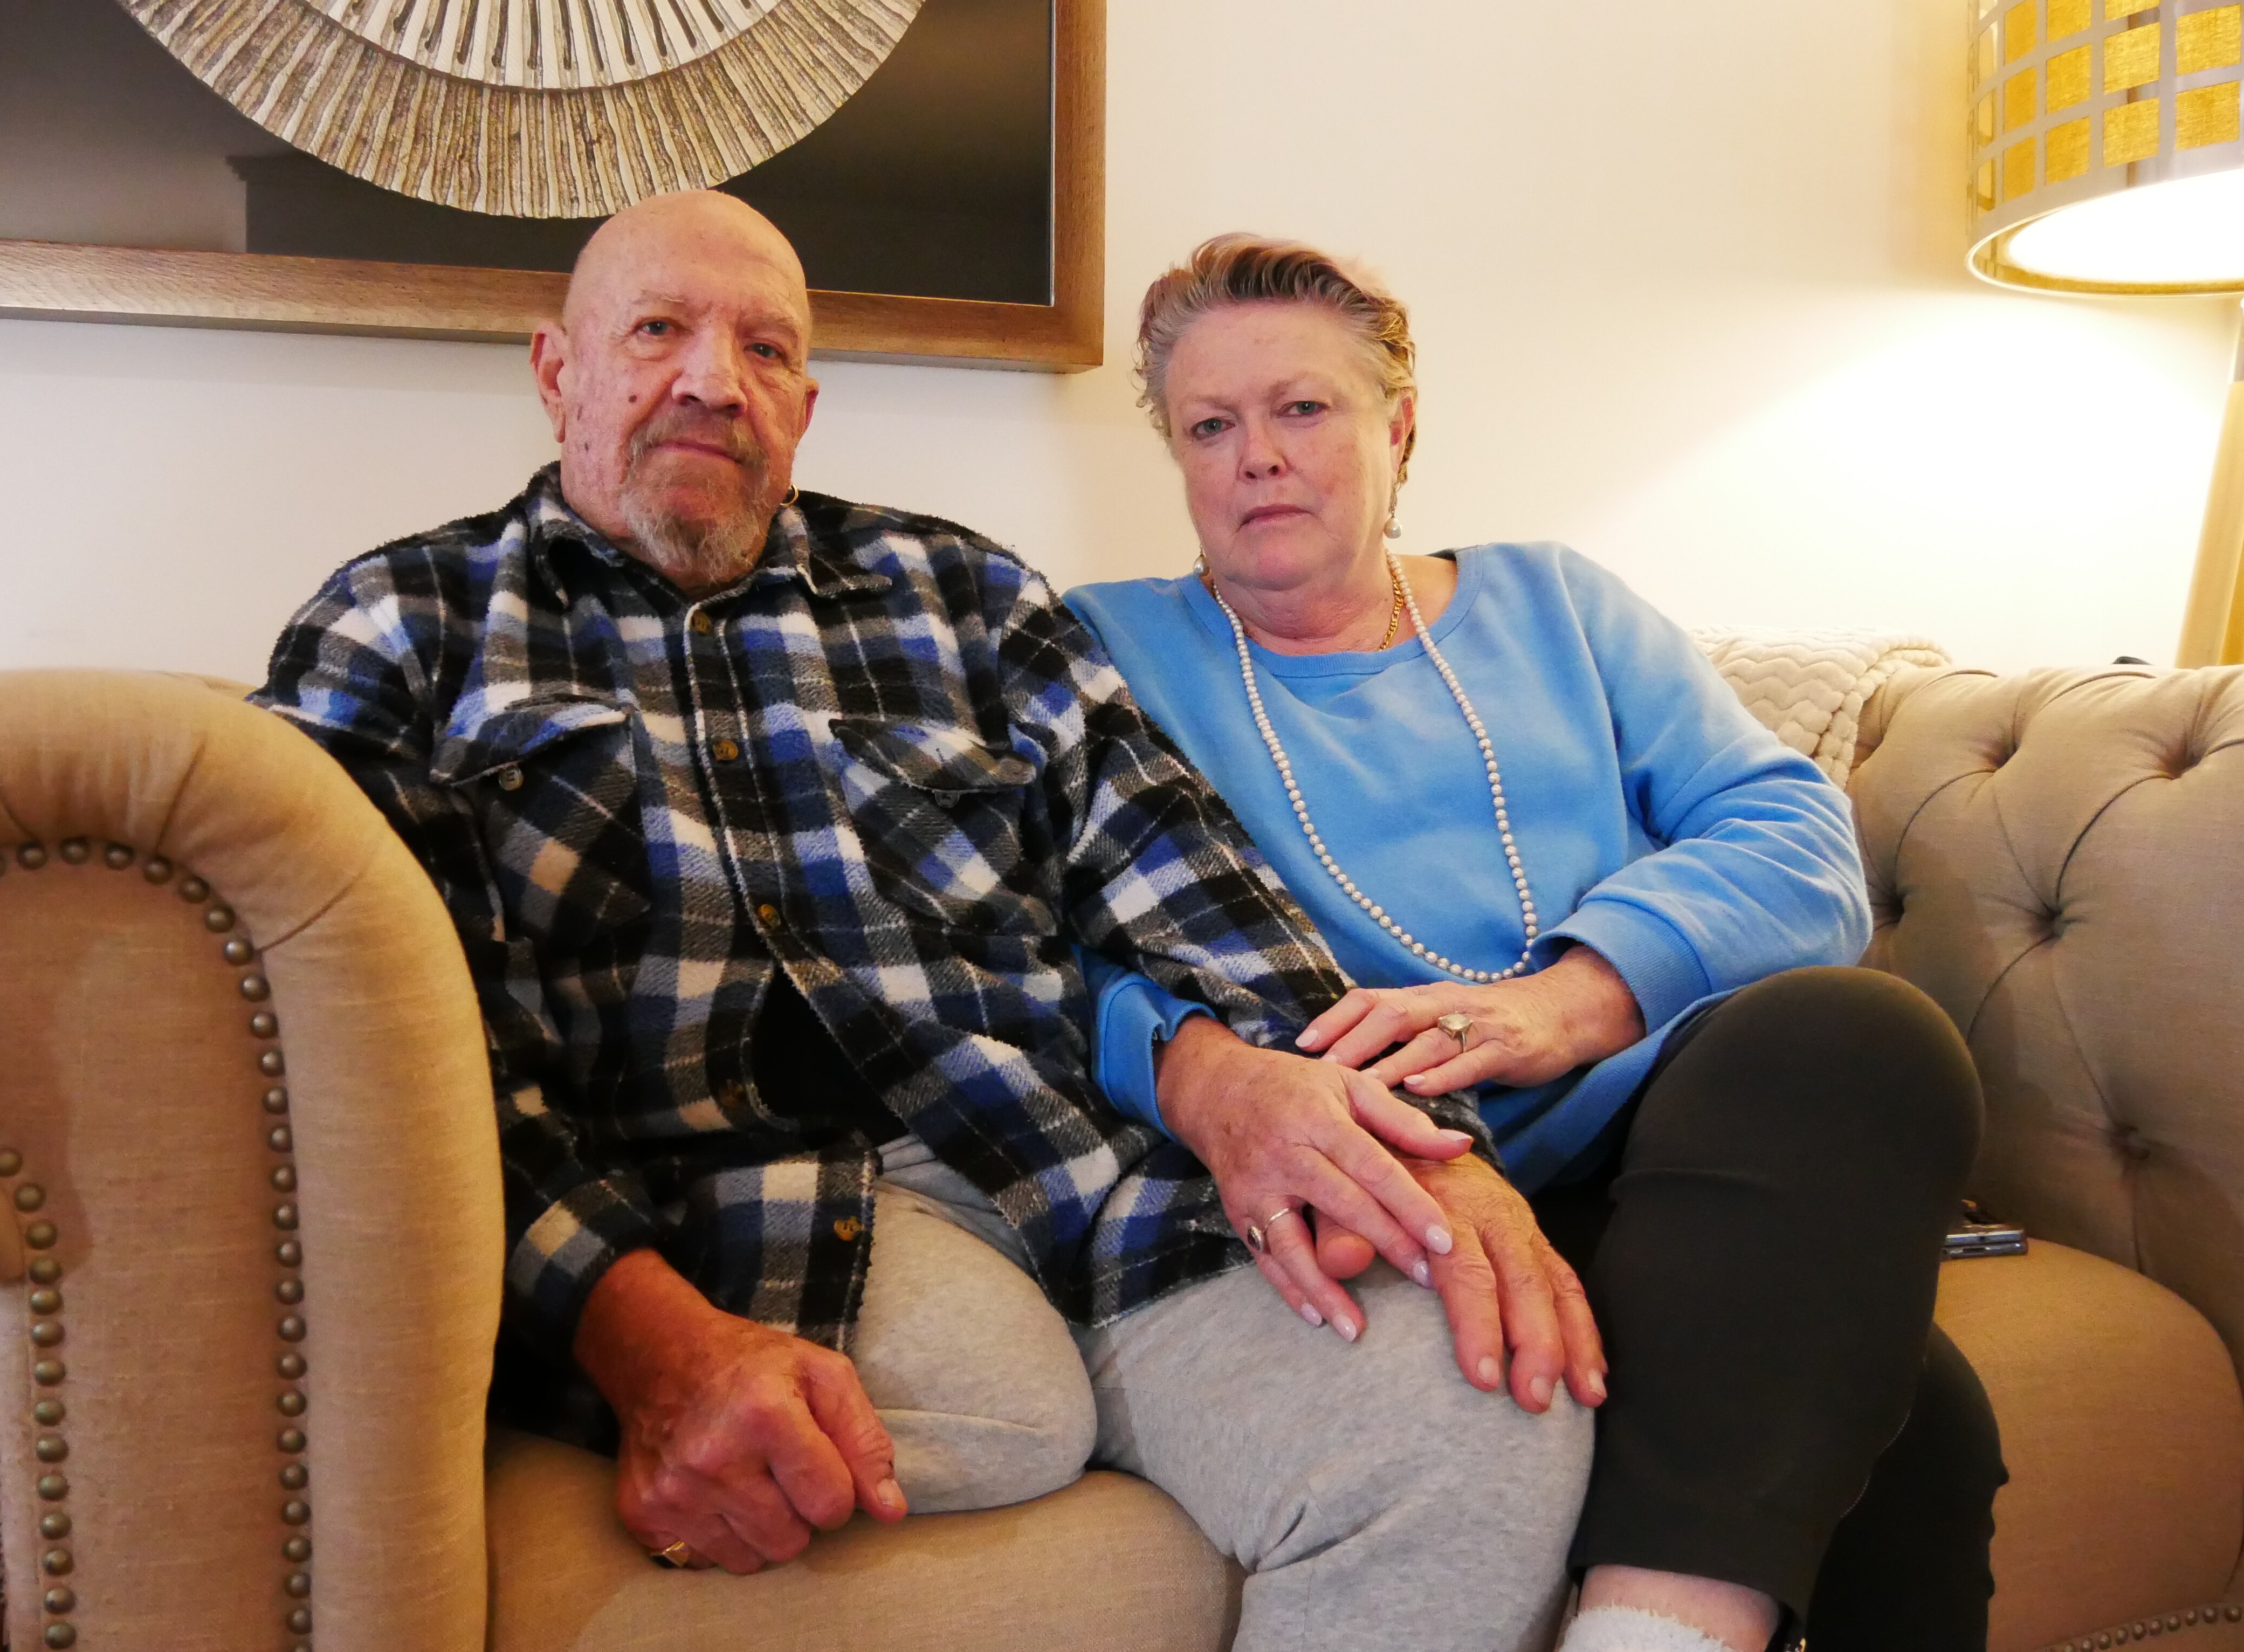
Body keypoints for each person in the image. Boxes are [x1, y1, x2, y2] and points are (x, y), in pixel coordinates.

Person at [253, 191, 1591, 1651]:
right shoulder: (408, 628)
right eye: (657, 332)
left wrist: (1384, 1140)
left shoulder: (963, 594)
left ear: (805, 406)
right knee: (1005, 1407)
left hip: (1092, 1176)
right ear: (555, 370)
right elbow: (373, 1051)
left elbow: (1184, 874)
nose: (712, 378)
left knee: (1480, 1385)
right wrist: (634, 1331)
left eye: (764, 349)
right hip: (728, 1218)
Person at [1063, 236, 2003, 1652]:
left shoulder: (1555, 604)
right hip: (1391, 1173)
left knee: (1864, 1036)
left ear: (1402, 425)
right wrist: (1205, 1074)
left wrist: (1567, 1003)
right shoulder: (1103, 651)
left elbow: (1797, 841)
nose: (1256, 454)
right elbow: (1040, 949)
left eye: (1303, 409)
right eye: (1211, 425)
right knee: (1921, 1414)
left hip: (1673, 1146)